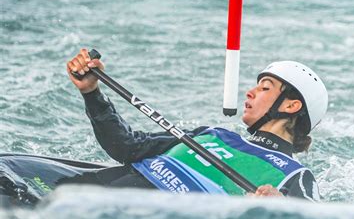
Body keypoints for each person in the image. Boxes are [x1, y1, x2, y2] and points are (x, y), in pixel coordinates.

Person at [65, 48, 328, 201]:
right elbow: (125, 148)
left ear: (290, 106)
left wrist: (282, 210)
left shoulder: (295, 175)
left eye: (264, 88)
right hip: (99, 193)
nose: (249, 92)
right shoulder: (212, 135)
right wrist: (92, 93)